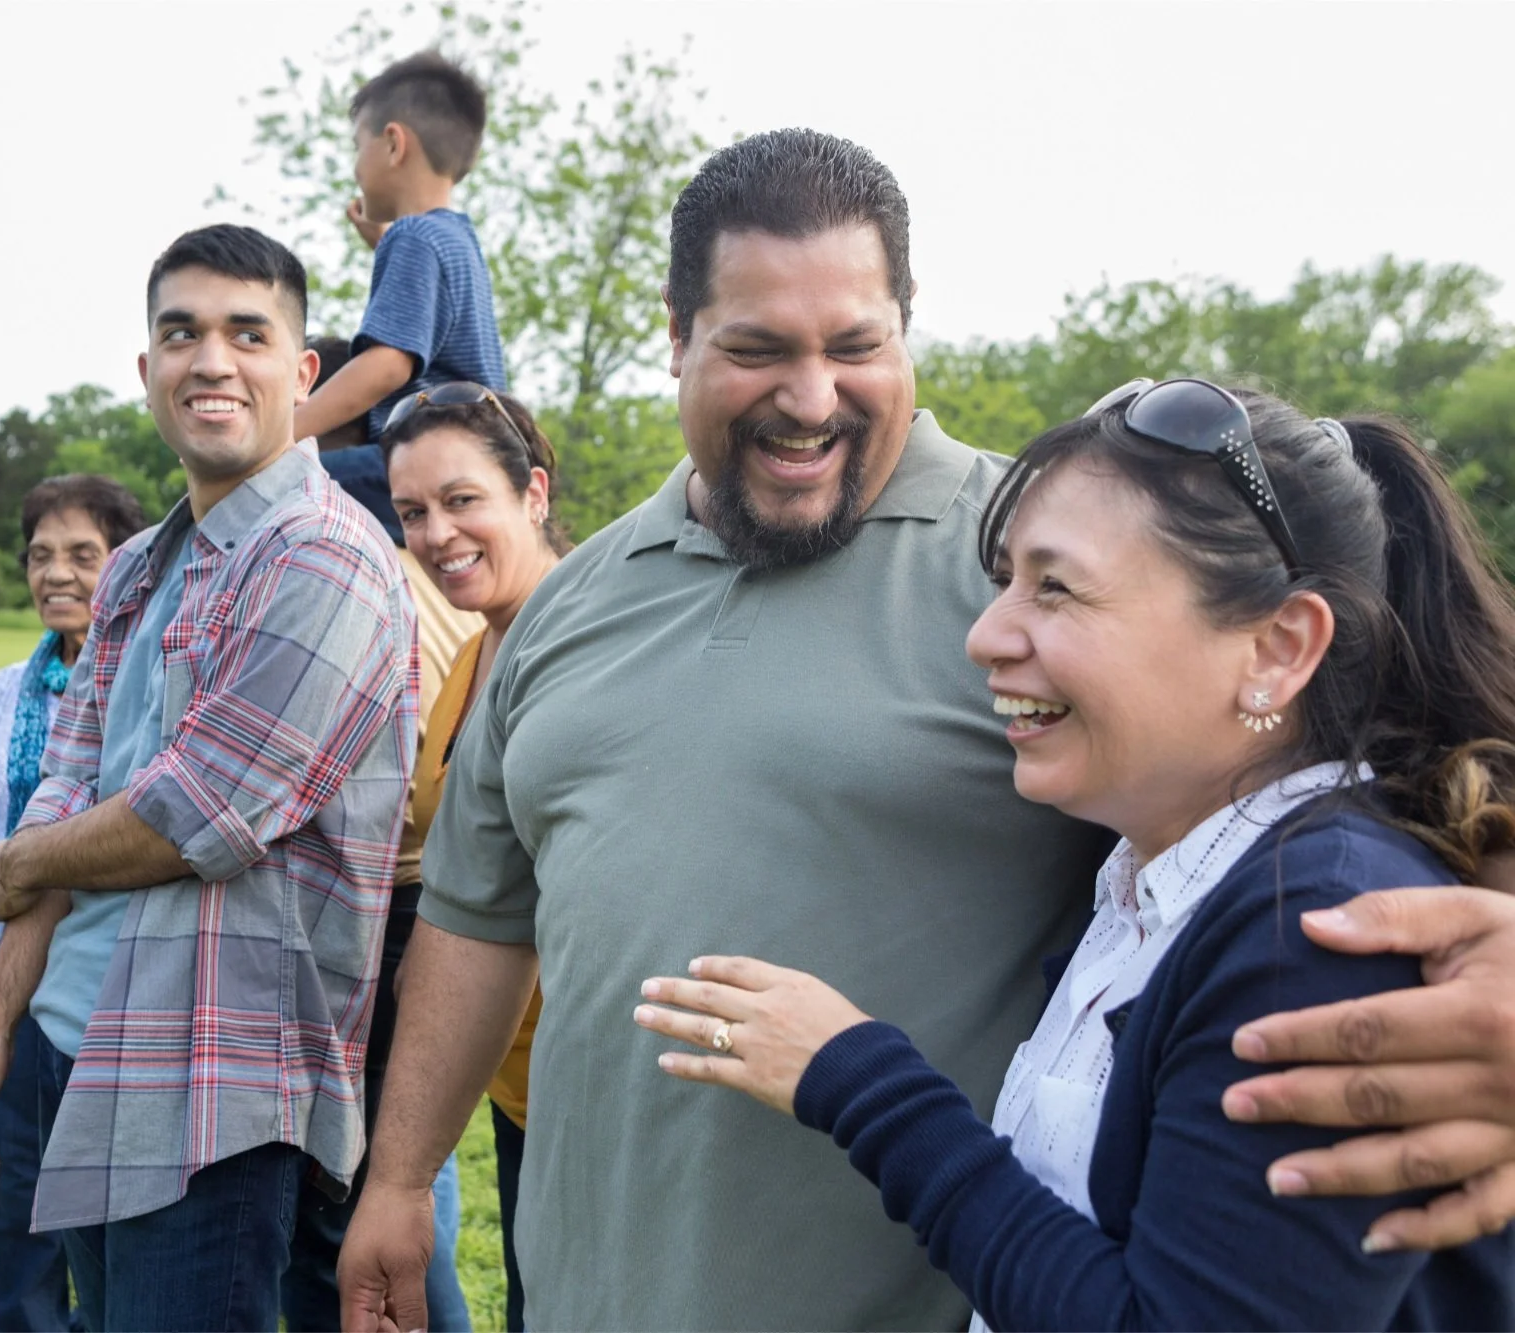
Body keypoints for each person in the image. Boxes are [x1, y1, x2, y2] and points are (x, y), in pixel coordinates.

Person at [337, 129, 1515, 1331]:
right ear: (675, 333)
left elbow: (1372, 774)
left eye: (855, 344)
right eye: (756, 348)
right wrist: (396, 1177)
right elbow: (478, 909)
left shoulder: (1045, 562)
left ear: (907, 322)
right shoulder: (569, 602)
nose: (810, 397)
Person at [637, 381, 1515, 1328]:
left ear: (1276, 647)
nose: (986, 635)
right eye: (1006, 581)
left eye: (1056, 586)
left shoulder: (1313, 932)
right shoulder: (1160, 877)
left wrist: (859, 1078)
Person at [0, 224, 417, 1333]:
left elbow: (197, 814)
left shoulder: (324, 556)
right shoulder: (142, 563)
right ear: (145, 366)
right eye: (180, 332)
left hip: (209, 1073)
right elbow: (65, 779)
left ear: (301, 376)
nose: (211, 360)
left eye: (248, 334)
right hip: (68, 1040)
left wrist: (15, 861)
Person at [286, 343, 481, 1332]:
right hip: (428, 919)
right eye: (416, 510)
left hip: (397, 915)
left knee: (363, 1186)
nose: (435, 530)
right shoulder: (463, 600)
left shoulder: (383, 584)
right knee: (403, 1169)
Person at [0, 473, 145, 1332]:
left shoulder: (148, 681)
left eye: (82, 555)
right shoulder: (7, 689)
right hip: (9, 987)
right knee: (19, 1192)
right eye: (40, 555)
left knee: (104, 1206)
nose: (56, 573)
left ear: (125, 566)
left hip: (109, 982)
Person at [383, 384, 567, 1333]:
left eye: (462, 500)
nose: (435, 532)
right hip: (509, 1071)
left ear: (532, 493)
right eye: (412, 511)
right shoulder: (474, 647)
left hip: (587, 1082)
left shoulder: (582, 638)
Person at [291, 51, 507, 447]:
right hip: (473, 453)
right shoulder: (456, 239)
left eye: (358, 146)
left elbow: (387, 366)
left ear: (393, 144)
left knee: (296, 483)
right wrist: (384, 247)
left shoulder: (413, 237)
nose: (356, 168)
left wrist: (280, 435)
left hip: (425, 455)